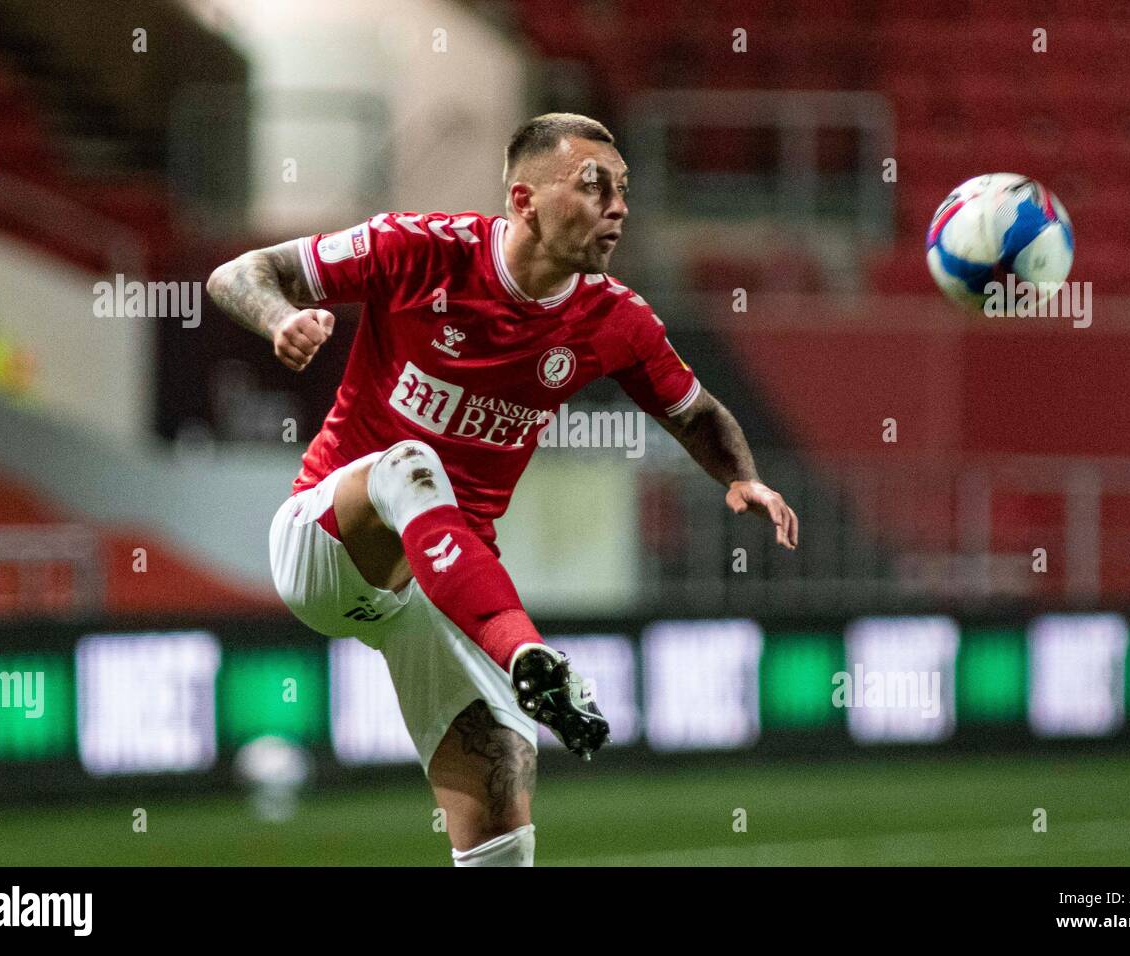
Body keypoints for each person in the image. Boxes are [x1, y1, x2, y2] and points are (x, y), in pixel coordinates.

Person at [207, 113, 798, 866]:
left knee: (502, 780)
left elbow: (694, 411)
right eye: (594, 186)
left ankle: (519, 677)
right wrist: (280, 318)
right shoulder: (421, 250)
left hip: (434, 591)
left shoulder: (615, 320)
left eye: (623, 190)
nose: (617, 206)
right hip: (326, 542)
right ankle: (528, 656)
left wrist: (743, 477)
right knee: (409, 464)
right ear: (523, 202)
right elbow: (238, 274)